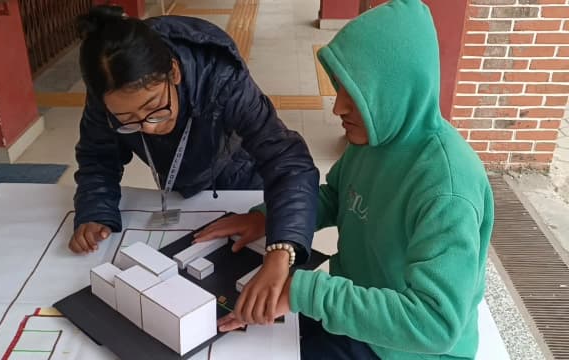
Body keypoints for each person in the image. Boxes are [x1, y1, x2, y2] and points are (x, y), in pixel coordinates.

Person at [195, 1, 494, 359]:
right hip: (353, 310)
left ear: (399, 91)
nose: (338, 107)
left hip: (405, 350)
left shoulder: (448, 190)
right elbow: (337, 197)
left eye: (357, 94)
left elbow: (435, 323)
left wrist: (303, 293)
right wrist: (266, 217)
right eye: (339, 88)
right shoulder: (378, 137)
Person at [69, 5, 319, 323]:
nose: (148, 127)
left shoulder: (221, 76)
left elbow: (288, 161)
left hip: (240, 176)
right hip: (181, 188)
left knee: (248, 265)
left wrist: (282, 246)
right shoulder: (105, 91)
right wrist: (95, 210)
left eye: (154, 108)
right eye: (128, 121)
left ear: (174, 72)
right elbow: (97, 156)